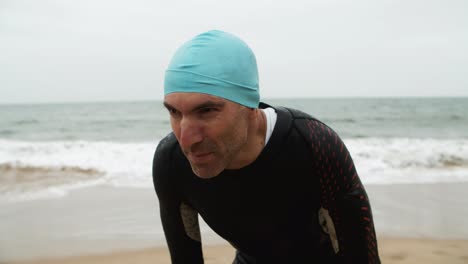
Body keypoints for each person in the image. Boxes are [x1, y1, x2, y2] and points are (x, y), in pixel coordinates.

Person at [153, 30, 380, 264]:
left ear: (251, 105)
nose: (187, 139)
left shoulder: (313, 144)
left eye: (207, 111)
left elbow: (363, 257)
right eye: (174, 112)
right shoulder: (171, 161)